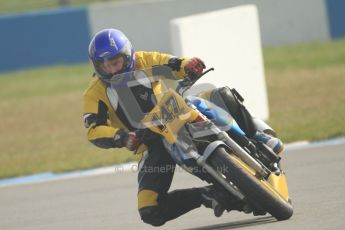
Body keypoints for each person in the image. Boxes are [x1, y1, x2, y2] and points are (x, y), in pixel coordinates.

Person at [83, 28, 283, 226]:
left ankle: (258, 137)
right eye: (105, 65)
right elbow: (94, 129)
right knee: (150, 210)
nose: (111, 70)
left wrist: (189, 65)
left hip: (174, 112)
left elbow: (173, 63)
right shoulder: (95, 93)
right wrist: (123, 137)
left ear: (128, 57)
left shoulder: (144, 61)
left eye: (115, 62)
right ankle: (210, 195)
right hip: (152, 142)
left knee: (220, 94)